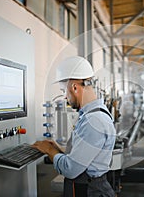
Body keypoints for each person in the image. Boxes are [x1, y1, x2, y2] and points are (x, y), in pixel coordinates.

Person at [33, 56, 116, 197]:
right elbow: (87, 156)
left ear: (75, 87)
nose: (65, 97)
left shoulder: (93, 120)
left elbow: (70, 169)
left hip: (90, 191)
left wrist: (49, 150)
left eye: (63, 91)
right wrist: (60, 150)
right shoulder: (92, 114)